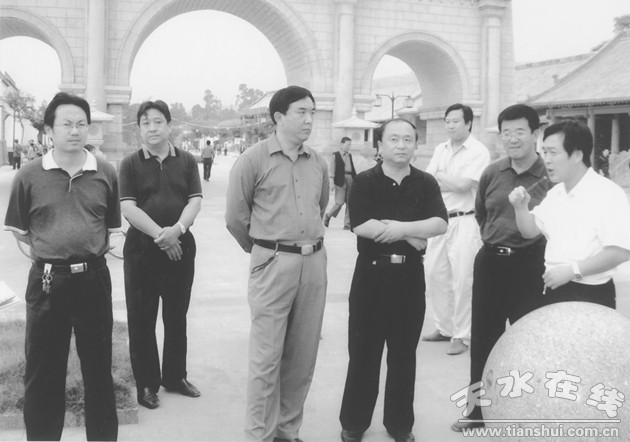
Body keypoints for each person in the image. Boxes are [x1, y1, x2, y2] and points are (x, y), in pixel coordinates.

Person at [3, 92, 120, 440]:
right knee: (43, 374)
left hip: (94, 281)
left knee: (99, 370)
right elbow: (20, 231)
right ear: (49, 130)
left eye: (81, 124)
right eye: (66, 124)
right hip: (47, 284)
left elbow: (109, 227)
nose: (75, 130)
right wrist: (49, 253)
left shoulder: (106, 173)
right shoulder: (29, 175)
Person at [225, 86, 329, 442]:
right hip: (272, 262)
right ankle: (259, 435)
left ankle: (288, 430)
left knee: (303, 356)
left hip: (313, 264)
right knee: (266, 360)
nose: (309, 119)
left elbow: (320, 206)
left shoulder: (318, 162)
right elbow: (235, 217)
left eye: (312, 112)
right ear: (279, 117)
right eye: (302, 112)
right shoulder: (253, 160)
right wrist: (263, 250)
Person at [339, 118, 447, 442]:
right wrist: (412, 234)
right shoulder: (365, 181)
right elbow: (361, 224)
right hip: (371, 275)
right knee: (364, 352)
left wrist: (400, 229)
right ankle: (354, 422)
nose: (401, 145)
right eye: (394, 139)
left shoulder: (425, 182)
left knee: (403, 354)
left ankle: (400, 424)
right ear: (380, 145)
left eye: (408, 139)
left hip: (409, 277)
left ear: (415, 145)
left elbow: (440, 223)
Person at [452, 104, 551, 432]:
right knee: (483, 340)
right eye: (506, 132)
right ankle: (476, 412)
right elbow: (482, 213)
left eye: (520, 131)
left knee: (530, 342)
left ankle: (529, 411)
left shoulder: (549, 176)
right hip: (491, 263)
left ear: (535, 134)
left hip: (531, 266)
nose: (512, 138)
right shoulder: (492, 172)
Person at [119, 100, 203, 410]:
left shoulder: (187, 161)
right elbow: (128, 207)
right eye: (145, 123)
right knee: (141, 318)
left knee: (176, 316)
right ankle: (146, 383)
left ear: (169, 125)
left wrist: (177, 230)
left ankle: (175, 377)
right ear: (139, 129)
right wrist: (161, 236)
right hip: (142, 250)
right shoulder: (129, 164)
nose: (152, 128)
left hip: (180, 248)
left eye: (158, 121)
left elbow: (195, 200)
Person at [509, 120, 630, 309]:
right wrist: (520, 207)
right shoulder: (556, 194)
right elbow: (529, 231)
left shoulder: (607, 193)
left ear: (577, 155)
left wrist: (573, 271)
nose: (547, 160)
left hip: (590, 294)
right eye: (545, 152)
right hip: (554, 287)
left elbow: (620, 251)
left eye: (553, 152)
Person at [422, 103, 490, 355]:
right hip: (440, 220)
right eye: (447, 121)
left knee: (463, 279)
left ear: (468, 123)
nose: (450, 126)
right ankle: (444, 327)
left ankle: (462, 335)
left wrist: (441, 176)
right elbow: (428, 182)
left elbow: (463, 186)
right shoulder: (440, 149)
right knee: (434, 273)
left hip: (465, 221)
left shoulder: (478, 151)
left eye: (456, 121)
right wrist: (444, 179)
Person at [324, 136, 356, 229]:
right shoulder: (335, 155)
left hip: (350, 179)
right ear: (342, 144)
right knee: (339, 202)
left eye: (350, 145)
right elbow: (332, 170)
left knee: (350, 202)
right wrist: (331, 183)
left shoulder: (349, 155)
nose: (349, 147)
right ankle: (328, 215)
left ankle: (347, 224)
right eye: (347, 145)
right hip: (340, 180)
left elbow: (352, 168)